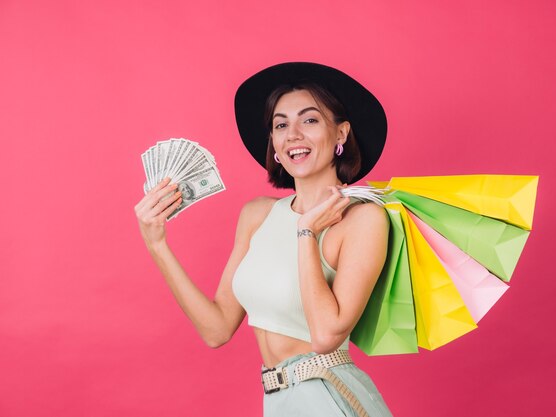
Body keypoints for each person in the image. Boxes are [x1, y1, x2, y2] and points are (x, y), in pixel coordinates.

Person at [134, 62, 393, 416]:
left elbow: (325, 337)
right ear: (272, 141)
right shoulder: (258, 214)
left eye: (310, 120)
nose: (293, 135)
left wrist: (307, 233)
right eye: (281, 124)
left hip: (329, 398)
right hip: (277, 402)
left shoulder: (363, 219)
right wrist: (157, 244)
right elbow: (217, 329)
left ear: (341, 133)